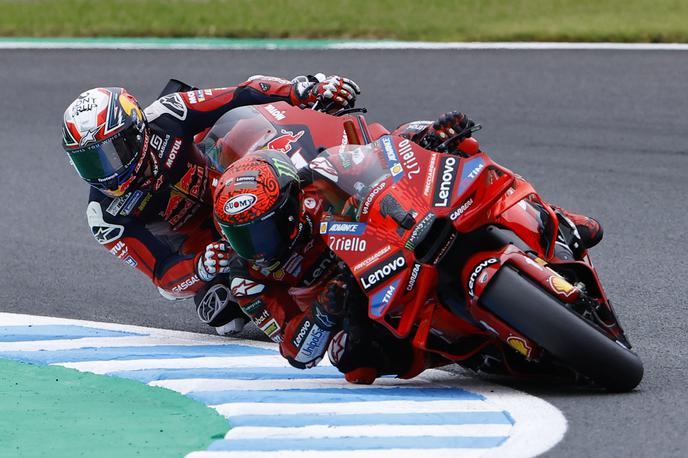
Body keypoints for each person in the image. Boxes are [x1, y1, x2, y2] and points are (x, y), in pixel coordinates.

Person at [211, 111, 603, 383]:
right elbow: (297, 351)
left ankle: (553, 217)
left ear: (289, 205)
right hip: (359, 302)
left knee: (463, 150)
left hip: (390, 243)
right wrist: (323, 314)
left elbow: (381, 153)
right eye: (240, 236)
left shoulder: (315, 186)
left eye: (262, 230)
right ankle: (448, 349)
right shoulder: (247, 279)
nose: (256, 246)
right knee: (352, 361)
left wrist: (428, 136)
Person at [60, 74, 361, 335]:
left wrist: (298, 93)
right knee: (221, 313)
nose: (104, 172)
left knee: (257, 120)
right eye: (88, 162)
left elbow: (240, 93)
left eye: (109, 154)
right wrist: (200, 268)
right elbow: (163, 276)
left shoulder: (166, 116)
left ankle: (343, 151)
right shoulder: (105, 216)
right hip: (212, 244)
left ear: (135, 131)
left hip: (238, 176)